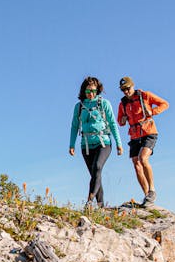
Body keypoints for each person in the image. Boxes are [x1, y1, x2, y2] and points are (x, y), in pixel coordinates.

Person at [69, 76, 123, 209]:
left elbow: (112, 123)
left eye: (93, 91)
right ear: (83, 91)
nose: (91, 94)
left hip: (103, 143)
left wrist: (118, 143)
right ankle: (101, 206)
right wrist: (71, 144)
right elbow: (74, 126)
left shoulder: (104, 104)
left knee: (97, 167)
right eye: (88, 91)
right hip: (86, 145)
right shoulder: (79, 107)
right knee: (95, 174)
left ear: (98, 90)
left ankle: (89, 201)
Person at [117, 76, 169, 207]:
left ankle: (152, 190)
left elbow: (165, 104)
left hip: (149, 132)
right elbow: (120, 121)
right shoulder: (122, 103)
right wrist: (122, 121)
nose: (126, 92)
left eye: (127, 88)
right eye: (123, 90)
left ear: (132, 86)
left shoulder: (145, 96)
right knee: (136, 164)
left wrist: (153, 111)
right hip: (134, 136)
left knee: (143, 158)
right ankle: (147, 197)